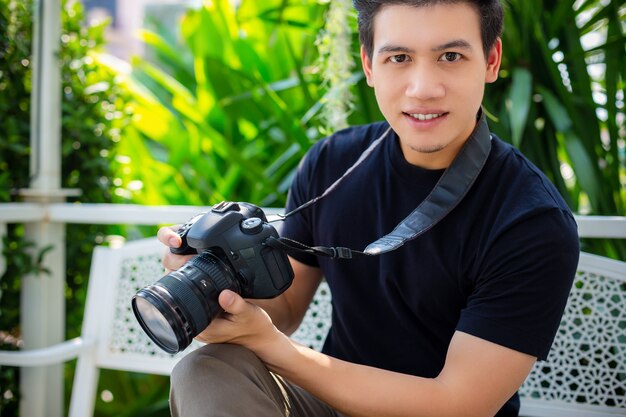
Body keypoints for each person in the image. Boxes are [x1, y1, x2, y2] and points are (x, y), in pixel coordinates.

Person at [158, 1, 580, 416]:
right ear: (368, 65)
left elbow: (458, 405)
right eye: (399, 57)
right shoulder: (331, 163)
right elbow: (284, 311)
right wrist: (215, 293)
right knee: (205, 369)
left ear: (491, 60)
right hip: (328, 400)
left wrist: (272, 346)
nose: (423, 87)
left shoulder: (531, 220)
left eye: (450, 56)